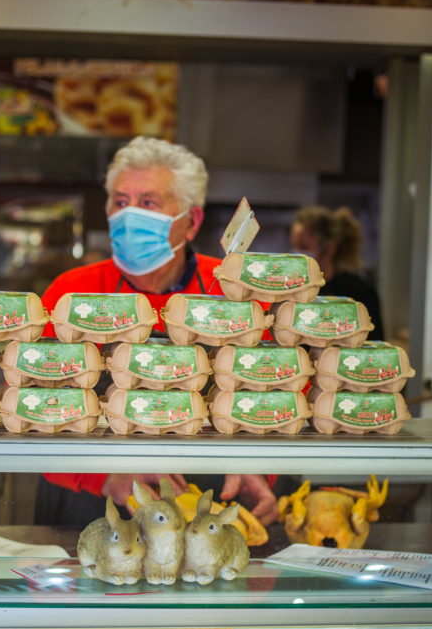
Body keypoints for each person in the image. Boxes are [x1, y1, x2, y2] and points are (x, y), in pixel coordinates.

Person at [35, 136, 278, 529]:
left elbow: (279, 394)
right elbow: (35, 411)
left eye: (147, 203)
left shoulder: (234, 291)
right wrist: (103, 478)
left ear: (192, 220)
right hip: (91, 507)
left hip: (210, 497)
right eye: (120, 201)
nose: (129, 214)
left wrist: (258, 468)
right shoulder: (70, 294)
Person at [289, 204, 385, 340]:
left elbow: (375, 347)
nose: (297, 254)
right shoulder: (292, 291)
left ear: (329, 248)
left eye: (304, 247)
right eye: (294, 246)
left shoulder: (360, 293)